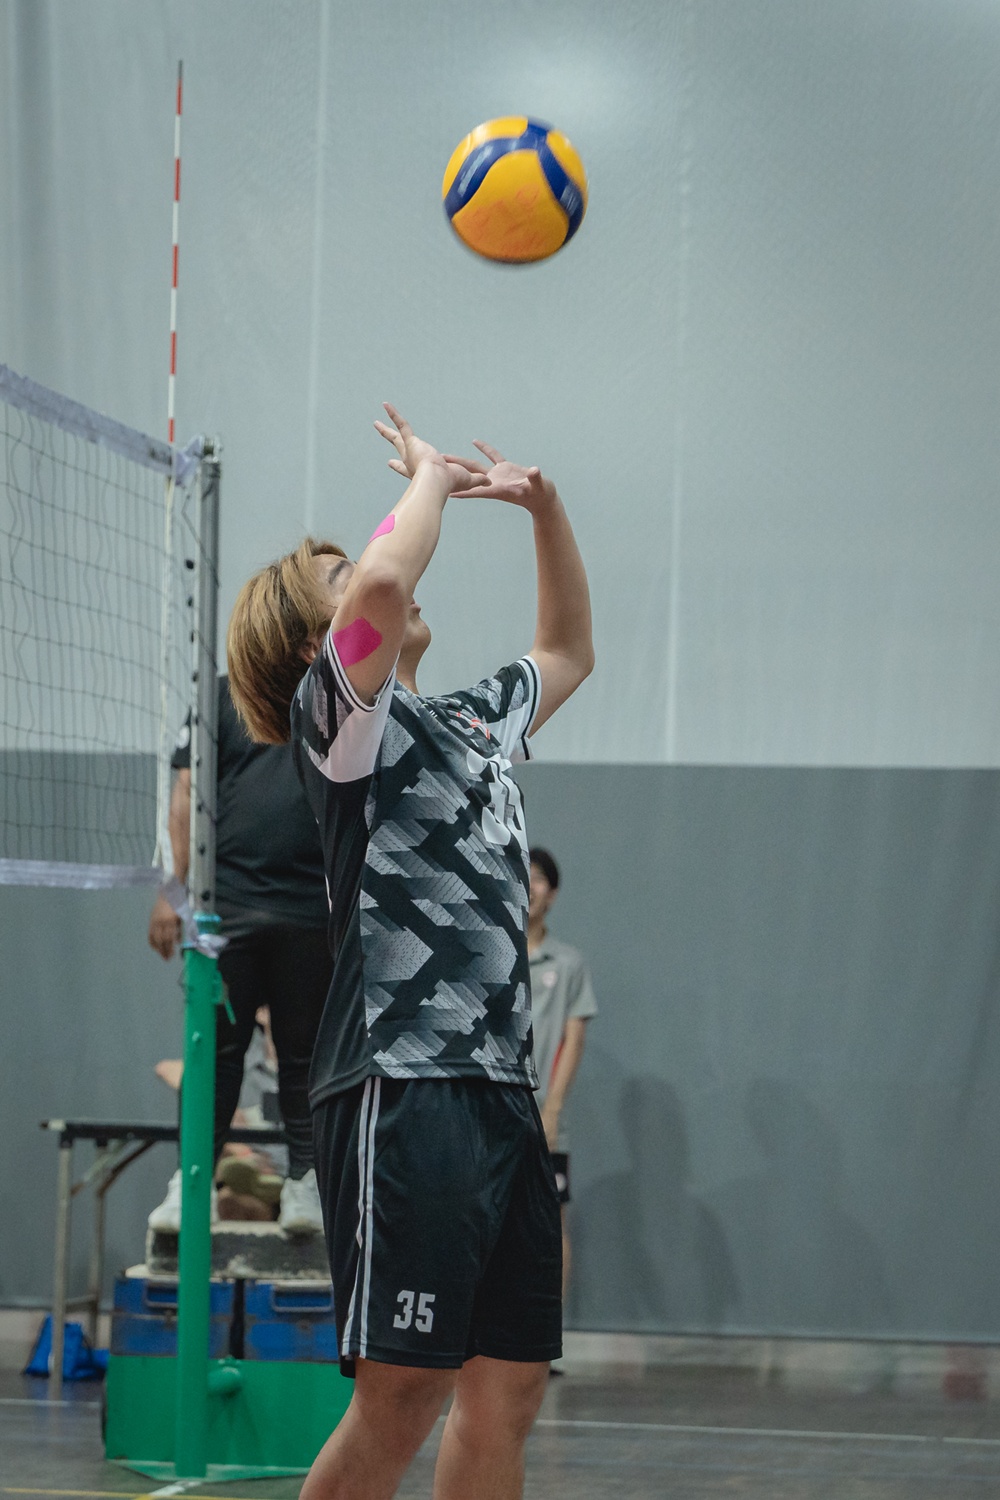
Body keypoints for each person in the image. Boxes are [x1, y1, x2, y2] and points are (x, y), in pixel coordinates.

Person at [225, 403, 593, 1500]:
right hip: (402, 1084)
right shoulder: (341, 724)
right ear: (316, 645)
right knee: (404, 1394)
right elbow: (387, 582)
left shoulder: (473, 724)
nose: (377, 570)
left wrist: (545, 509)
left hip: (498, 1091)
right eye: (342, 576)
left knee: (506, 1393)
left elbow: (568, 651)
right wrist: (429, 475)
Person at [146, 676, 332, 1236]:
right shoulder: (221, 696)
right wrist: (172, 890)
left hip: (310, 909)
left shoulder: (333, 693)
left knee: (304, 1058)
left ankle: (305, 1185)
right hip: (227, 908)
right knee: (213, 1053)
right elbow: (186, 790)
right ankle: (192, 1184)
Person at [526, 847, 597, 1300]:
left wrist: (551, 1111)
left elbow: (574, 1039)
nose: (527, 886)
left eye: (537, 878)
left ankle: (549, 1333)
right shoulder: (491, 954)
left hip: (543, 1117)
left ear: (551, 893)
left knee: (551, 1223)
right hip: (492, 1111)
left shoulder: (568, 964)